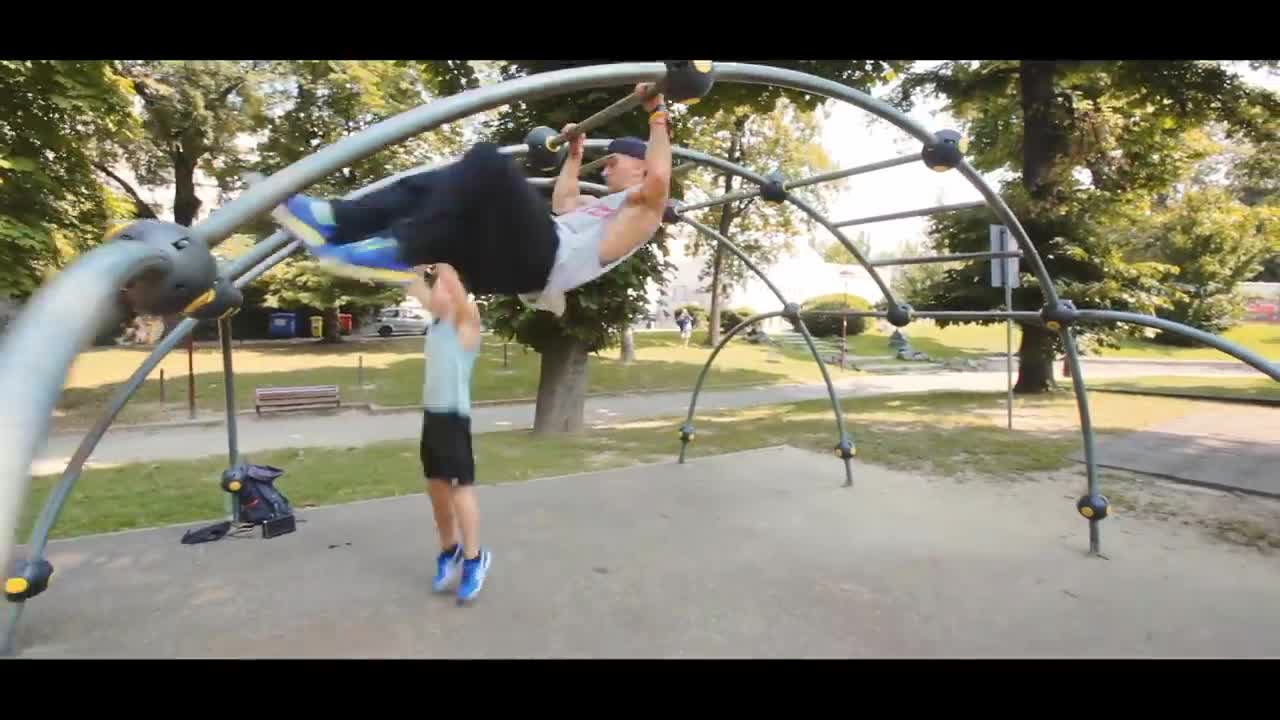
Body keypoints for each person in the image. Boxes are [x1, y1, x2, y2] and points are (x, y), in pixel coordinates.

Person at [270, 83, 672, 317]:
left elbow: (659, 182)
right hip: (510, 270)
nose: (605, 171)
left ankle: (396, 249)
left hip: (541, 261)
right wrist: (576, 154)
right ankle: (340, 223)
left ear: (639, 167)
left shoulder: (641, 213)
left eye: (612, 163)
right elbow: (564, 201)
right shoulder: (600, 206)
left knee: (487, 164)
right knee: (444, 195)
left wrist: (657, 113)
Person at [402, 263, 490, 603]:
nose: (433, 290)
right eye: (434, 285)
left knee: (459, 489)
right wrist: (417, 264)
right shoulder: (437, 321)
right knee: (436, 489)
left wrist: (446, 267)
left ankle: (473, 558)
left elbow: (457, 292)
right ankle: (449, 550)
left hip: (455, 419)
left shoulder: (466, 322)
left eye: (438, 286)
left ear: (455, 292)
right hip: (433, 419)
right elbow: (408, 282)